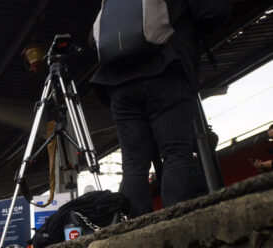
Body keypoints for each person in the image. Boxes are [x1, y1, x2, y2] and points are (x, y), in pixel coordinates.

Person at [90, 0, 231, 217]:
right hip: (165, 72)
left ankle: (135, 233)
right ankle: (176, 224)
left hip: (118, 85)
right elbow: (213, 12)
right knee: (175, 152)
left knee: (134, 164)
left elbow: (95, 40)